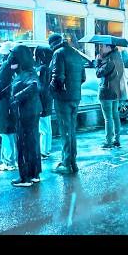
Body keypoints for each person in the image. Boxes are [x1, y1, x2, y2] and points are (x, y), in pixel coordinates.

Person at [48, 34, 86, 174]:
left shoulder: (58, 54)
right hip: (75, 97)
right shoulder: (76, 53)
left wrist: (51, 90)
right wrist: (73, 88)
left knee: (65, 130)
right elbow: (83, 77)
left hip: (63, 98)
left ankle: (66, 163)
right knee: (71, 130)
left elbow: (57, 77)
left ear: (52, 44)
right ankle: (72, 161)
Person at [9, 44, 42, 187]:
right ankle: (34, 174)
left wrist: (17, 96)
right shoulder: (30, 70)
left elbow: (34, 86)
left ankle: (25, 177)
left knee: (23, 143)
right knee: (32, 142)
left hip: (25, 112)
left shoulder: (27, 73)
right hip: (32, 111)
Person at [0, 41, 18, 171]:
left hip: (5, 102)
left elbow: (0, 84)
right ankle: (14, 160)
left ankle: (9, 162)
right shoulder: (18, 64)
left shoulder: (6, 65)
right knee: (12, 132)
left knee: (5, 132)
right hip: (14, 101)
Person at [96, 43, 124, 148]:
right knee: (115, 116)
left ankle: (108, 141)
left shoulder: (109, 60)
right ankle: (117, 139)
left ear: (109, 47)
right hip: (116, 91)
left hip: (107, 91)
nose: (101, 48)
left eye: (103, 46)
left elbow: (99, 73)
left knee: (108, 118)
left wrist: (97, 62)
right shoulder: (118, 58)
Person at [34, 46, 53, 158]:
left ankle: (43, 151)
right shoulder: (48, 67)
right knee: (47, 126)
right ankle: (47, 149)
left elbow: (40, 86)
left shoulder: (41, 69)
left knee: (43, 128)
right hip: (48, 99)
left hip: (42, 100)